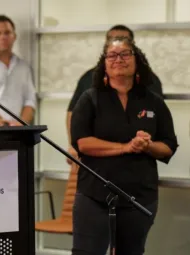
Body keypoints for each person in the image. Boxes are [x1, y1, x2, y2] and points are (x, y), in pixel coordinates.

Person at [70, 36, 178, 255]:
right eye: (111, 55)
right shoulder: (89, 98)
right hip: (94, 196)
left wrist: (147, 146)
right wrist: (126, 147)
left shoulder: (154, 101)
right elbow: (82, 143)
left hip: (139, 198)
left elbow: (168, 146)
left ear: (137, 61)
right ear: (104, 64)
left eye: (125, 54)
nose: (118, 59)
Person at [66, 24, 163, 165]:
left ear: (133, 47)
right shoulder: (89, 77)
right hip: (94, 161)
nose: (118, 58)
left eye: (123, 41)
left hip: (138, 163)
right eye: (112, 40)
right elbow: (72, 114)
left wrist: (146, 144)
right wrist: (73, 145)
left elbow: (160, 127)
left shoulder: (150, 80)